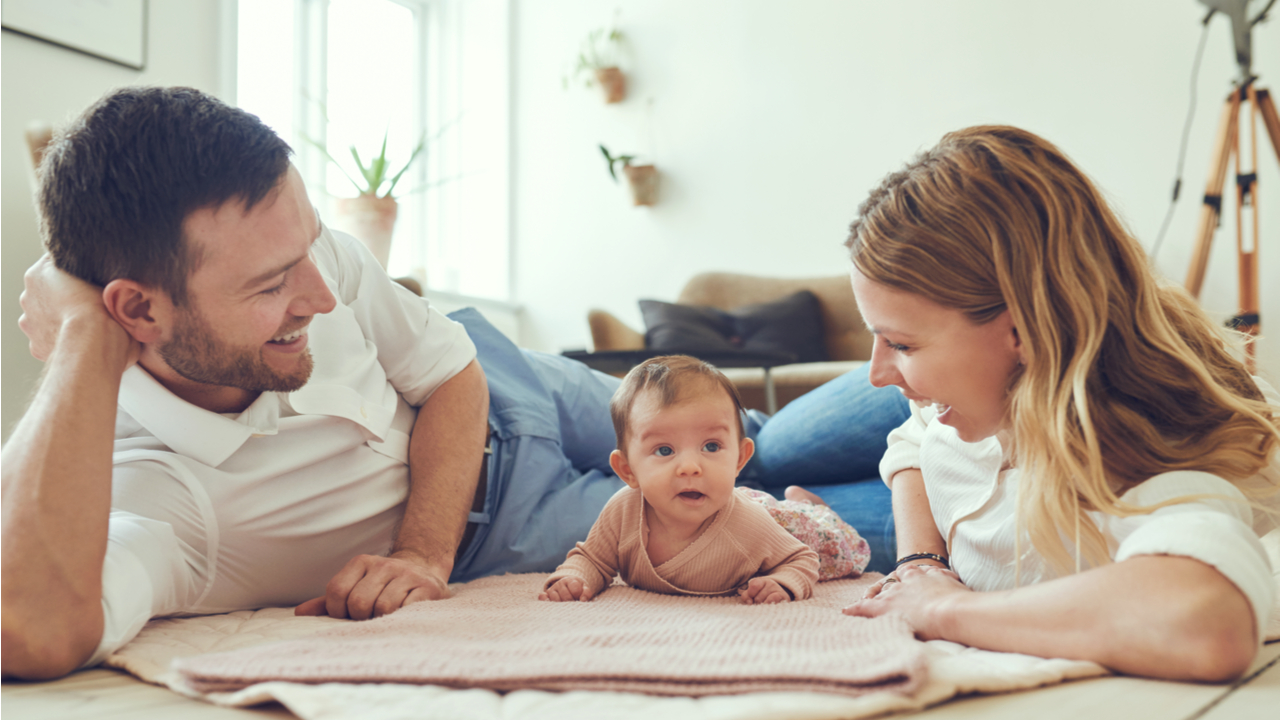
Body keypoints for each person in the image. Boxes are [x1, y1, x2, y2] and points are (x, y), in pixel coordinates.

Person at [2, 86, 633, 679]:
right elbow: (26, 624)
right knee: (717, 501)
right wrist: (85, 334)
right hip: (502, 520)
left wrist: (421, 553)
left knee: (725, 427)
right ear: (139, 312)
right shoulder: (152, 492)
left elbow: (449, 372)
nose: (323, 297)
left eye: (311, 246)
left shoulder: (294, 252)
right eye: (271, 284)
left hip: (502, 377)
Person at [838, 125, 1280, 682]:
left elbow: (1207, 620)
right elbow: (910, 437)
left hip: (982, 488)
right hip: (939, 486)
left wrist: (938, 608)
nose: (875, 373)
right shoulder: (970, 389)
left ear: (1023, 330)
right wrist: (919, 563)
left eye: (901, 343)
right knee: (756, 451)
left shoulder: (1140, 462)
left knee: (739, 489)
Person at [540, 355, 866, 604]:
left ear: (739, 458)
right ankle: (800, 498)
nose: (690, 467)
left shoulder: (748, 526)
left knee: (837, 545)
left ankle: (811, 507)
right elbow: (593, 559)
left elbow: (802, 558)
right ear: (627, 470)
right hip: (750, 507)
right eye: (664, 450)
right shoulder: (622, 511)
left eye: (711, 446)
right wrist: (574, 577)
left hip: (785, 525)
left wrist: (782, 583)